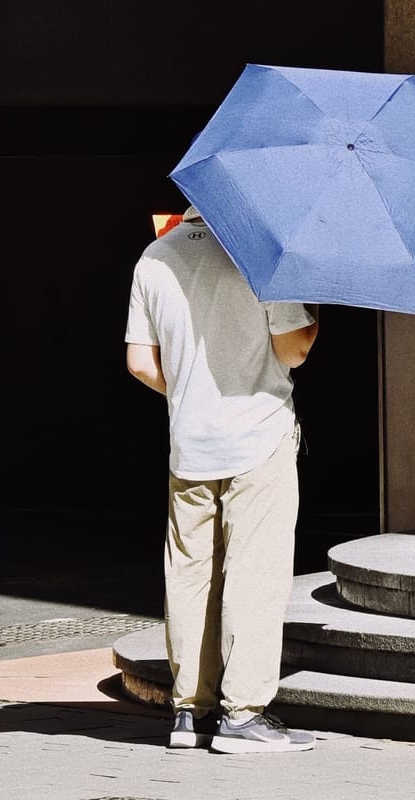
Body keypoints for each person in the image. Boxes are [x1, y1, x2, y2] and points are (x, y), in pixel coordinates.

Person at [124, 205, 320, 753]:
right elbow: (295, 348)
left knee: (189, 574)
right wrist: (314, 309)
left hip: (189, 441)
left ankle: (189, 712)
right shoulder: (265, 256)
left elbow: (140, 362)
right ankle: (244, 714)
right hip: (257, 436)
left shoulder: (155, 256)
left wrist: (191, 395)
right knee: (254, 573)